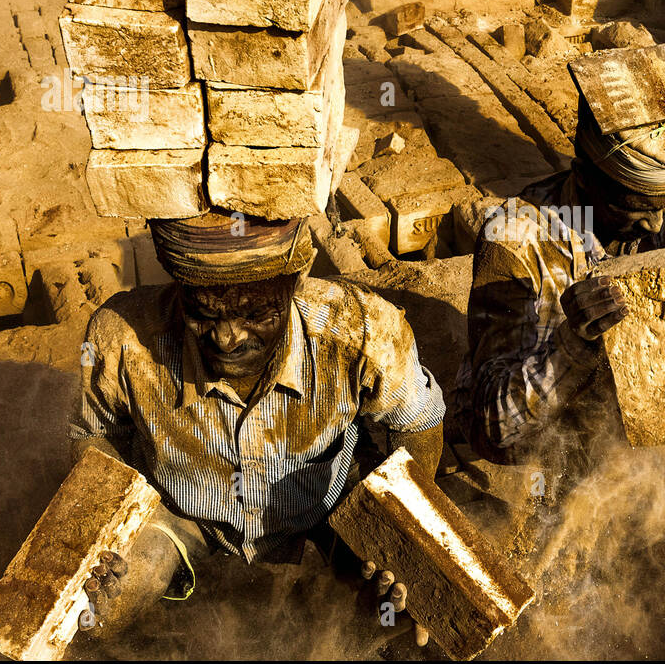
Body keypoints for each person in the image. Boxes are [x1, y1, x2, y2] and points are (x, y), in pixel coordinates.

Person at [67, 209, 444, 642]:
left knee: (391, 608)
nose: (227, 337)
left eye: (254, 313)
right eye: (203, 312)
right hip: (184, 514)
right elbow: (95, 434)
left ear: (295, 283)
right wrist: (102, 530)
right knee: (98, 615)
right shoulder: (120, 336)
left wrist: (401, 532)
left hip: (325, 507)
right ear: (180, 287)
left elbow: (420, 423)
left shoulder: (362, 330)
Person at [453, 100, 665, 469]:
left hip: (649, 366)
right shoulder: (515, 236)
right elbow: (495, 425)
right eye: (636, 208)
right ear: (585, 176)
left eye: (662, 207)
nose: (654, 225)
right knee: (604, 441)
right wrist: (572, 344)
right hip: (552, 398)